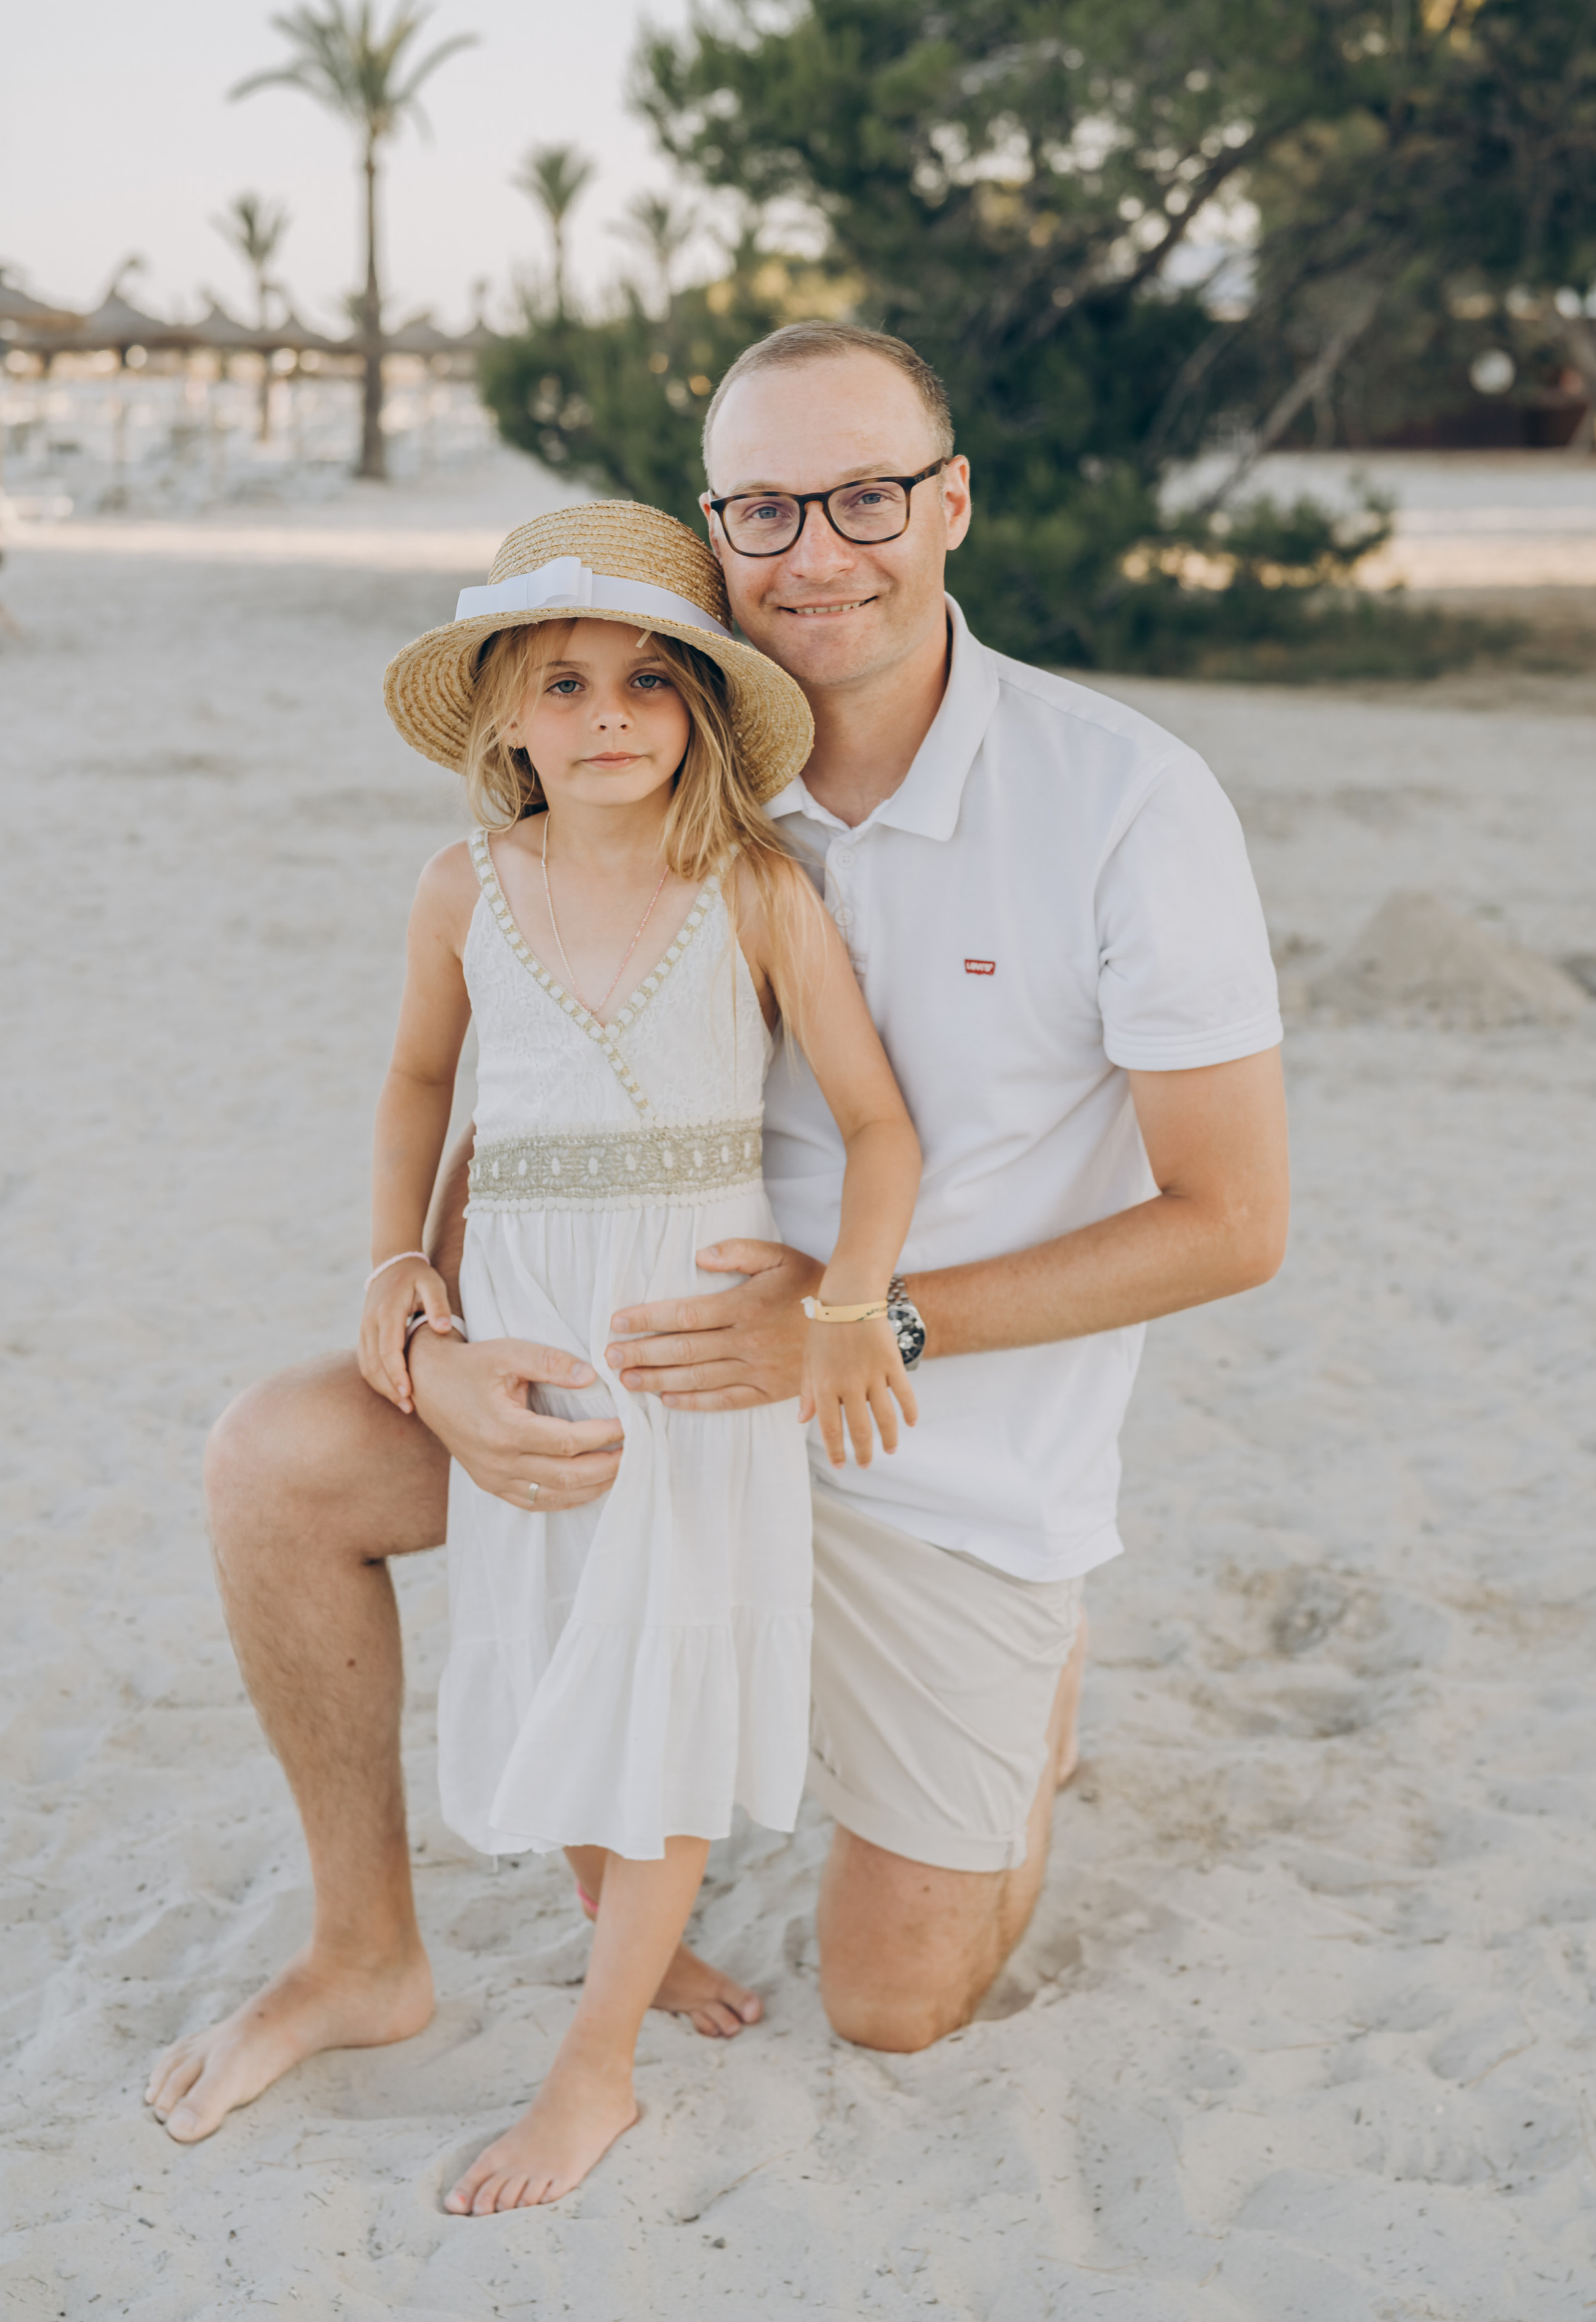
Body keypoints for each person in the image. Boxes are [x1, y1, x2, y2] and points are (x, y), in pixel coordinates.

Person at [147, 319, 1289, 2169]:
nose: (816, 549)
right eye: (766, 506)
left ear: (954, 503)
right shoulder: (639, 792)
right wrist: (426, 1341)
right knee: (273, 1462)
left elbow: (1236, 1223)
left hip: (916, 1457)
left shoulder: (1123, 802)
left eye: (864, 496)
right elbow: (500, 1088)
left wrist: (872, 1322)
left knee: (892, 2006)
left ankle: (1032, 1684)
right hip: (635, 1390)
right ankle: (364, 1950)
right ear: (712, 532)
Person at [377, 501, 919, 2211]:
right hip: (530, 1313)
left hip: (692, 1335)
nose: (605, 715)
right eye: (561, 682)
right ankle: (638, 1943)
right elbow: (415, 1086)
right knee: (553, 1658)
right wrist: (400, 1270)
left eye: (645, 684)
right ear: (504, 717)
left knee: (659, 1683)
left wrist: (845, 1301)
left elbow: (879, 1125)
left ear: (697, 706)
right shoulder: (466, 886)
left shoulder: (755, 891)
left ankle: (593, 2071)